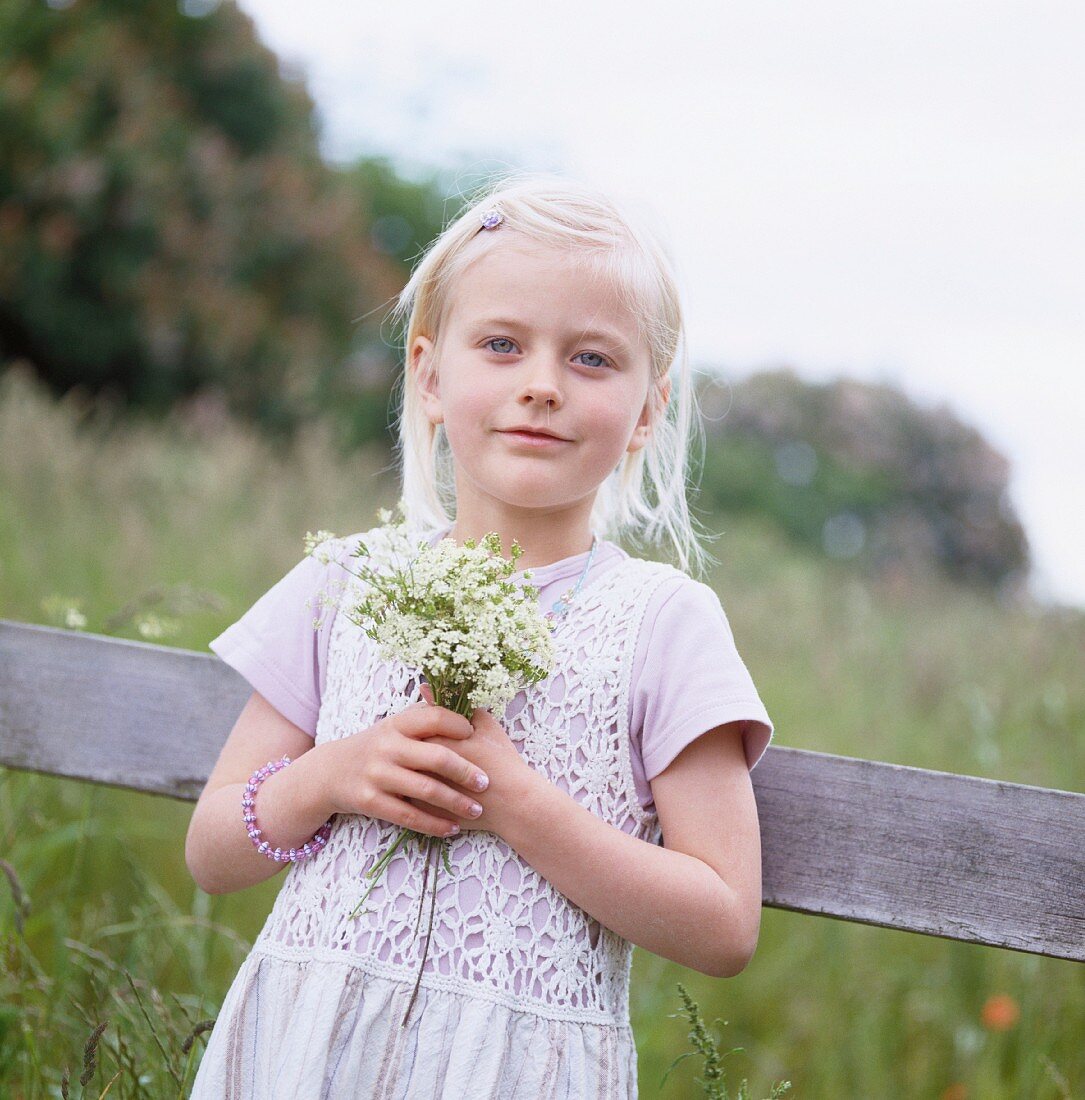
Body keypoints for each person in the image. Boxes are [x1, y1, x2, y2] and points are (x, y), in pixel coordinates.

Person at [185, 171, 774, 1099]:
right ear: (427, 372)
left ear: (648, 411)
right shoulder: (344, 582)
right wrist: (332, 775)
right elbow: (213, 852)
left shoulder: (665, 625)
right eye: (501, 345)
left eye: (592, 359)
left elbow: (723, 922)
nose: (541, 386)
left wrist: (516, 803)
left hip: (514, 1069)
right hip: (305, 1045)